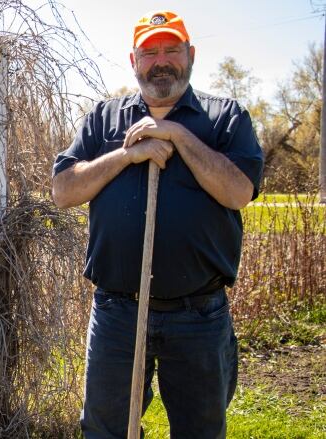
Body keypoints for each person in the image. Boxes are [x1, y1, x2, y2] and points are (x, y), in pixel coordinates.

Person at [52, 11, 263, 438]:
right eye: (150, 52)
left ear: (190, 55)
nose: (161, 61)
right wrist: (127, 155)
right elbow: (63, 191)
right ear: (134, 60)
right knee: (106, 429)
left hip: (198, 314)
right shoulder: (104, 119)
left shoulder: (225, 119)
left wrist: (176, 135)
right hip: (118, 312)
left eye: (171, 49)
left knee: (199, 430)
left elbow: (238, 192)